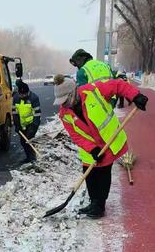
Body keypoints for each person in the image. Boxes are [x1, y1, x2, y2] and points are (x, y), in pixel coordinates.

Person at [53, 74, 148, 218]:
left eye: (66, 100)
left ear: (73, 92)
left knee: (102, 174)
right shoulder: (64, 113)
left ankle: (100, 205)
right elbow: (75, 135)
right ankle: (93, 202)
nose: (64, 104)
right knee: (90, 175)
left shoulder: (93, 90)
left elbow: (117, 85)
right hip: (89, 148)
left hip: (108, 141)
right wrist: (92, 149)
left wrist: (135, 96)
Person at [12, 81, 41, 163]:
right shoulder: (16, 98)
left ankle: (33, 158)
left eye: (24, 94)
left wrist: (33, 127)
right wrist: (17, 125)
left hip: (31, 124)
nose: (22, 96)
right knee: (23, 142)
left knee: (29, 140)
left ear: (28, 92)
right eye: (21, 94)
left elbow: (37, 114)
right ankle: (28, 157)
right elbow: (14, 112)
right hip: (21, 124)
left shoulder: (34, 98)